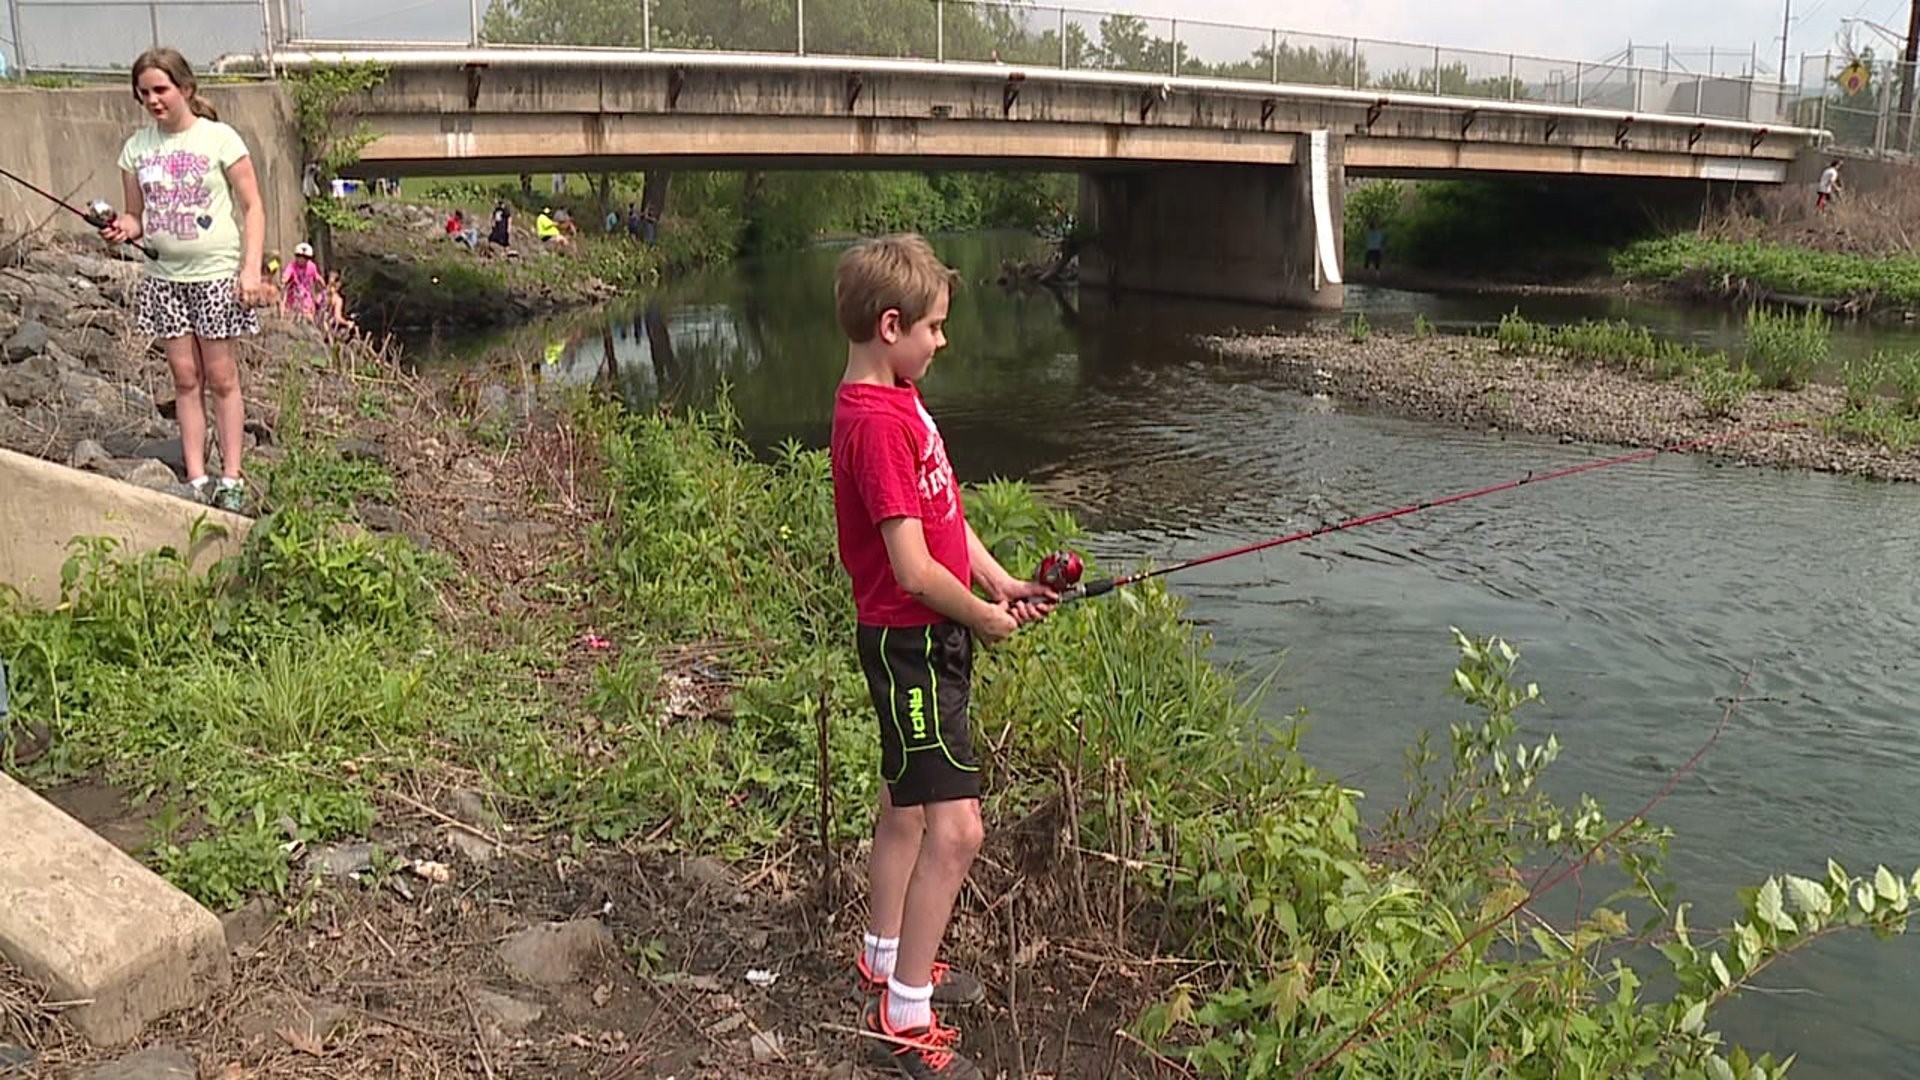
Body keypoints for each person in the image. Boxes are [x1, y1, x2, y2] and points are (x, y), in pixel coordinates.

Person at [830, 234, 1056, 1080]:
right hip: (913, 649)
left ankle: (885, 956)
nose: (942, 341)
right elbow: (913, 568)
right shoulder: (876, 425)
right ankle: (906, 1014)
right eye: (934, 327)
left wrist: (1001, 582)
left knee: (906, 807)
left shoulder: (899, 397)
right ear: (891, 326)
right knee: (958, 831)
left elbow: (946, 521)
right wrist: (981, 620)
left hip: (926, 636)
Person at [101, 47, 268, 513]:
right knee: (184, 376)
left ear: (186, 89)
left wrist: (250, 268)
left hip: (215, 273)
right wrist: (122, 228)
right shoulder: (136, 150)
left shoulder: (220, 139)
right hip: (163, 277)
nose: (153, 100)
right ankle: (196, 477)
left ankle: (231, 476)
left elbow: (253, 205)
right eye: (145, 93)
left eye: (161, 89)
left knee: (222, 376)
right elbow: (136, 217)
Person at [281, 242, 323, 319]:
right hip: (293, 301)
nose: (302, 259)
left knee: (309, 319)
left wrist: (322, 291)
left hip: (306, 301)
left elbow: (317, 277)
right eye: (299, 256)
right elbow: (286, 276)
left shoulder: (311, 266)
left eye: (305, 257)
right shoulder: (292, 266)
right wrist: (284, 280)